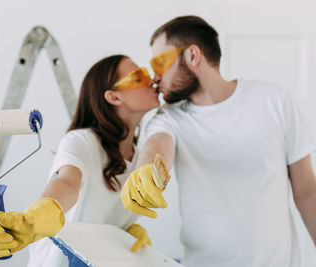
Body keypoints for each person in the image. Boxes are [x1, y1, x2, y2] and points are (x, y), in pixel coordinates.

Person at [121, 15, 316, 267]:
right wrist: (147, 170)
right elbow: (158, 146)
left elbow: (307, 191)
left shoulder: (274, 100)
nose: (154, 77)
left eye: (160, 63)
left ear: (192, 55)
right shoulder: (168, 118)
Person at [0, 54, 160, 266]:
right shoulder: (81, 141)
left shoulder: (141, 159)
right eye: (138, 76)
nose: (152, 80)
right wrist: (37, 218)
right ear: (114, 97)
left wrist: (123, 234)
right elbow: (67, 182)